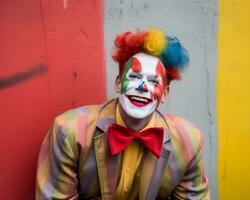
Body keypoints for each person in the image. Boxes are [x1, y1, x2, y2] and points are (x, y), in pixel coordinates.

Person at [36, 28, 210, 200]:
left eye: (153, 81)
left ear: (164, 93)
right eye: (134, 76)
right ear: (118, 84)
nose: (142, 87)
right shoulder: (69, 131)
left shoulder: (188, 141)